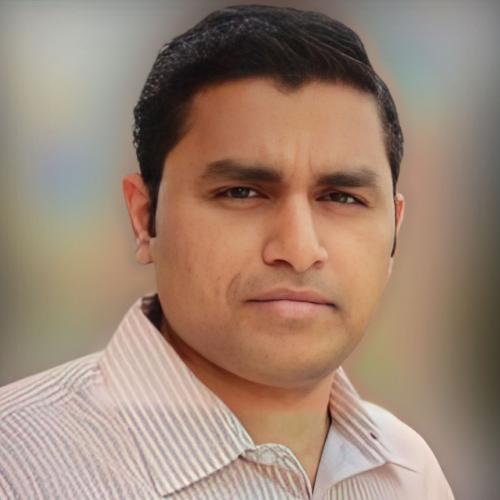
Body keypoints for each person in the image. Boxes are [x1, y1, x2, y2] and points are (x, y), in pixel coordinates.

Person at [0, 4, 454, 499]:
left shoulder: (409, 472)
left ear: (394, 231)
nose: (299, 249)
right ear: (144, 218)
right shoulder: (17, 468)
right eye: (242, 192)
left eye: (342, 198)